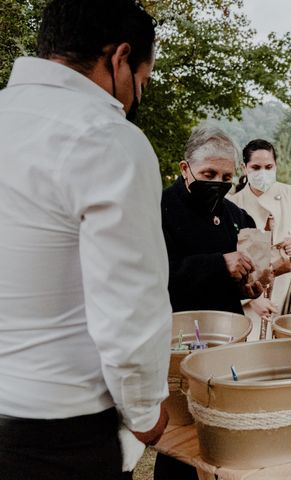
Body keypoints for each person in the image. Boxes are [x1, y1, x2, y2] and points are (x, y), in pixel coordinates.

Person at [0, 1, 171, 478]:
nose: (137, 96)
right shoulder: (107, 138)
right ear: (120, 59)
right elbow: (128, 305)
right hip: (56, 433)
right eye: (144, 81)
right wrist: (145, 410)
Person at [156, 123, 261, 479]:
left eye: (226, 175)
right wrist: (218, 265)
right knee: (179, 439)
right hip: (176, 343)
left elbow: (248, 273)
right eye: (208, 173)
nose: (217, 181)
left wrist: (251, 283)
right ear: (185, 169)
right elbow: (154, 276)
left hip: (226, 339)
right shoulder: (159, 209)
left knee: (222, 432)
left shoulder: (235, 216)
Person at [230, 139, 291, 324]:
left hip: (288, 287)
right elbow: (228, 256)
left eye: (269, 166)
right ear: (244, 168)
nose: (263, 172)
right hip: (250, 296)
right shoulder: (233, 203)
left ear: (276, 166)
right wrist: (251, 298)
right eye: (256, 167)